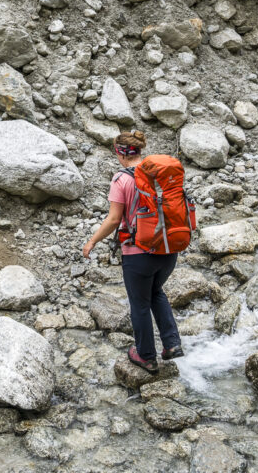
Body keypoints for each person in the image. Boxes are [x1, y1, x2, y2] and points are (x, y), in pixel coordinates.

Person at [81, 129, 183, 373]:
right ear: (138, 151)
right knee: (156, 292)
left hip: (138, 253)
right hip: (169, 249)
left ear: (120, 153)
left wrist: (91, 241)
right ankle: (172, 344)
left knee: (139, 304)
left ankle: (146, 356)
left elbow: (114, 219)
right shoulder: (158, 174)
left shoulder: (121, 179)